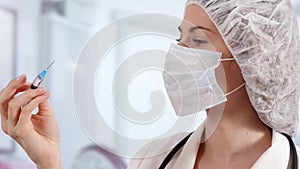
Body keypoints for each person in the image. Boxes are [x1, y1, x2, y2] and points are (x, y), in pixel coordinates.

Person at [0, 0, 299, 168]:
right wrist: (49, 160)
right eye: (178, 38)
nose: (177, 53)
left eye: (197, 40)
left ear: (253, 59)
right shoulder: (154, 158)